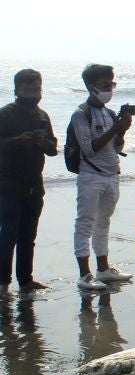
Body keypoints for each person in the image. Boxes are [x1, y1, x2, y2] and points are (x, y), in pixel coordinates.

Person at [71, 64, 133, 291]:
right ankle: (84, 274)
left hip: (111, 174)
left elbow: (116, 147)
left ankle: (103, 269)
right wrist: (115, 128)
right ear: (92, 87)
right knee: (85, 222)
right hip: (90, 175)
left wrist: (122, 130)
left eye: (112, 84)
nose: (110, 89)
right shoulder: (81, 114)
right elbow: (89, 149)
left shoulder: (109, 113)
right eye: (106, 85)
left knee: (103, 222)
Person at [0, 69, 57, 298]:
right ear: (17, 91)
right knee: (8, 234)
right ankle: (3, 284)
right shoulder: (5, 115)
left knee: (29, 235)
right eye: (28, 90)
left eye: (37, 89)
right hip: (8, 184)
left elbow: (53, 149)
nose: (33, 94)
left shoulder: (42, 116)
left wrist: (44, 143)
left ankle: (26, 280)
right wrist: (17, 141)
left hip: (35, 183)